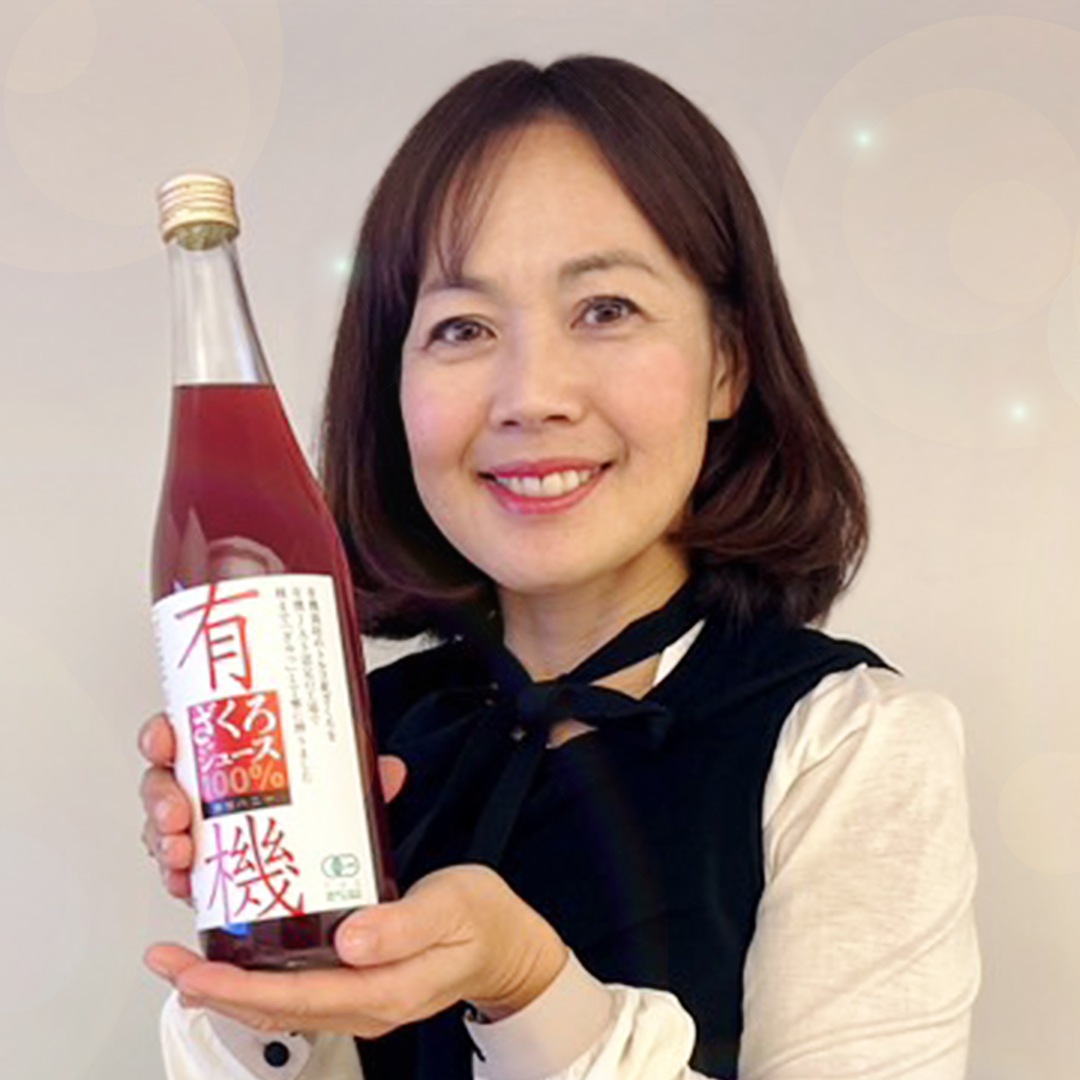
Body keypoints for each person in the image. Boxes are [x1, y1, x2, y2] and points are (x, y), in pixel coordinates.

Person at [137, 55, 980, 1079]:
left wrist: (528, 987)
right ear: (392, 389)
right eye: (462, 328)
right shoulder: (358, 745)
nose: (532, 395)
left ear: (728, 361)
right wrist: (260, 967)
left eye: (605, 309)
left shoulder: (846, 742)